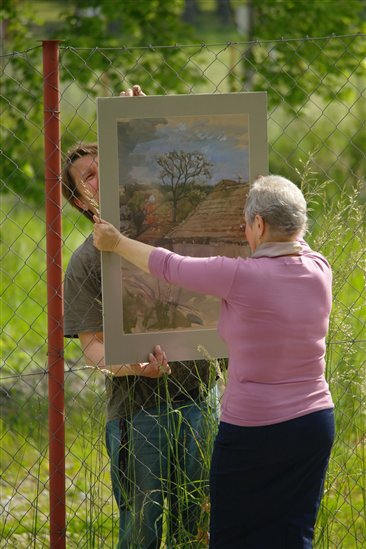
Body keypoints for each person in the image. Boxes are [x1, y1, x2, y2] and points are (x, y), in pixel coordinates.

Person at [93, 174, 335, 549]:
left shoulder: (240, 276)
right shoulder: (320, 269)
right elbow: (291, 248)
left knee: (234, 535)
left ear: (259, 224)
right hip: (314, 424)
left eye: (248, 222)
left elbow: (169, 265)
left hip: (254, 432)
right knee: (293, 532)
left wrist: (117, 241)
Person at [62, 86, 213, 549]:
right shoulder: (87, 262)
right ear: (82, 201)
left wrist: (145, 121)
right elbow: (91, 345)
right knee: (142, 526)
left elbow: (190, 161)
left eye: (106, 164)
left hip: (201, 398)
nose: (100, 177)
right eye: (88, 176)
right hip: (136, 410)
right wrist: (131, 366)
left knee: (200, 521)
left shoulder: (180, 228)